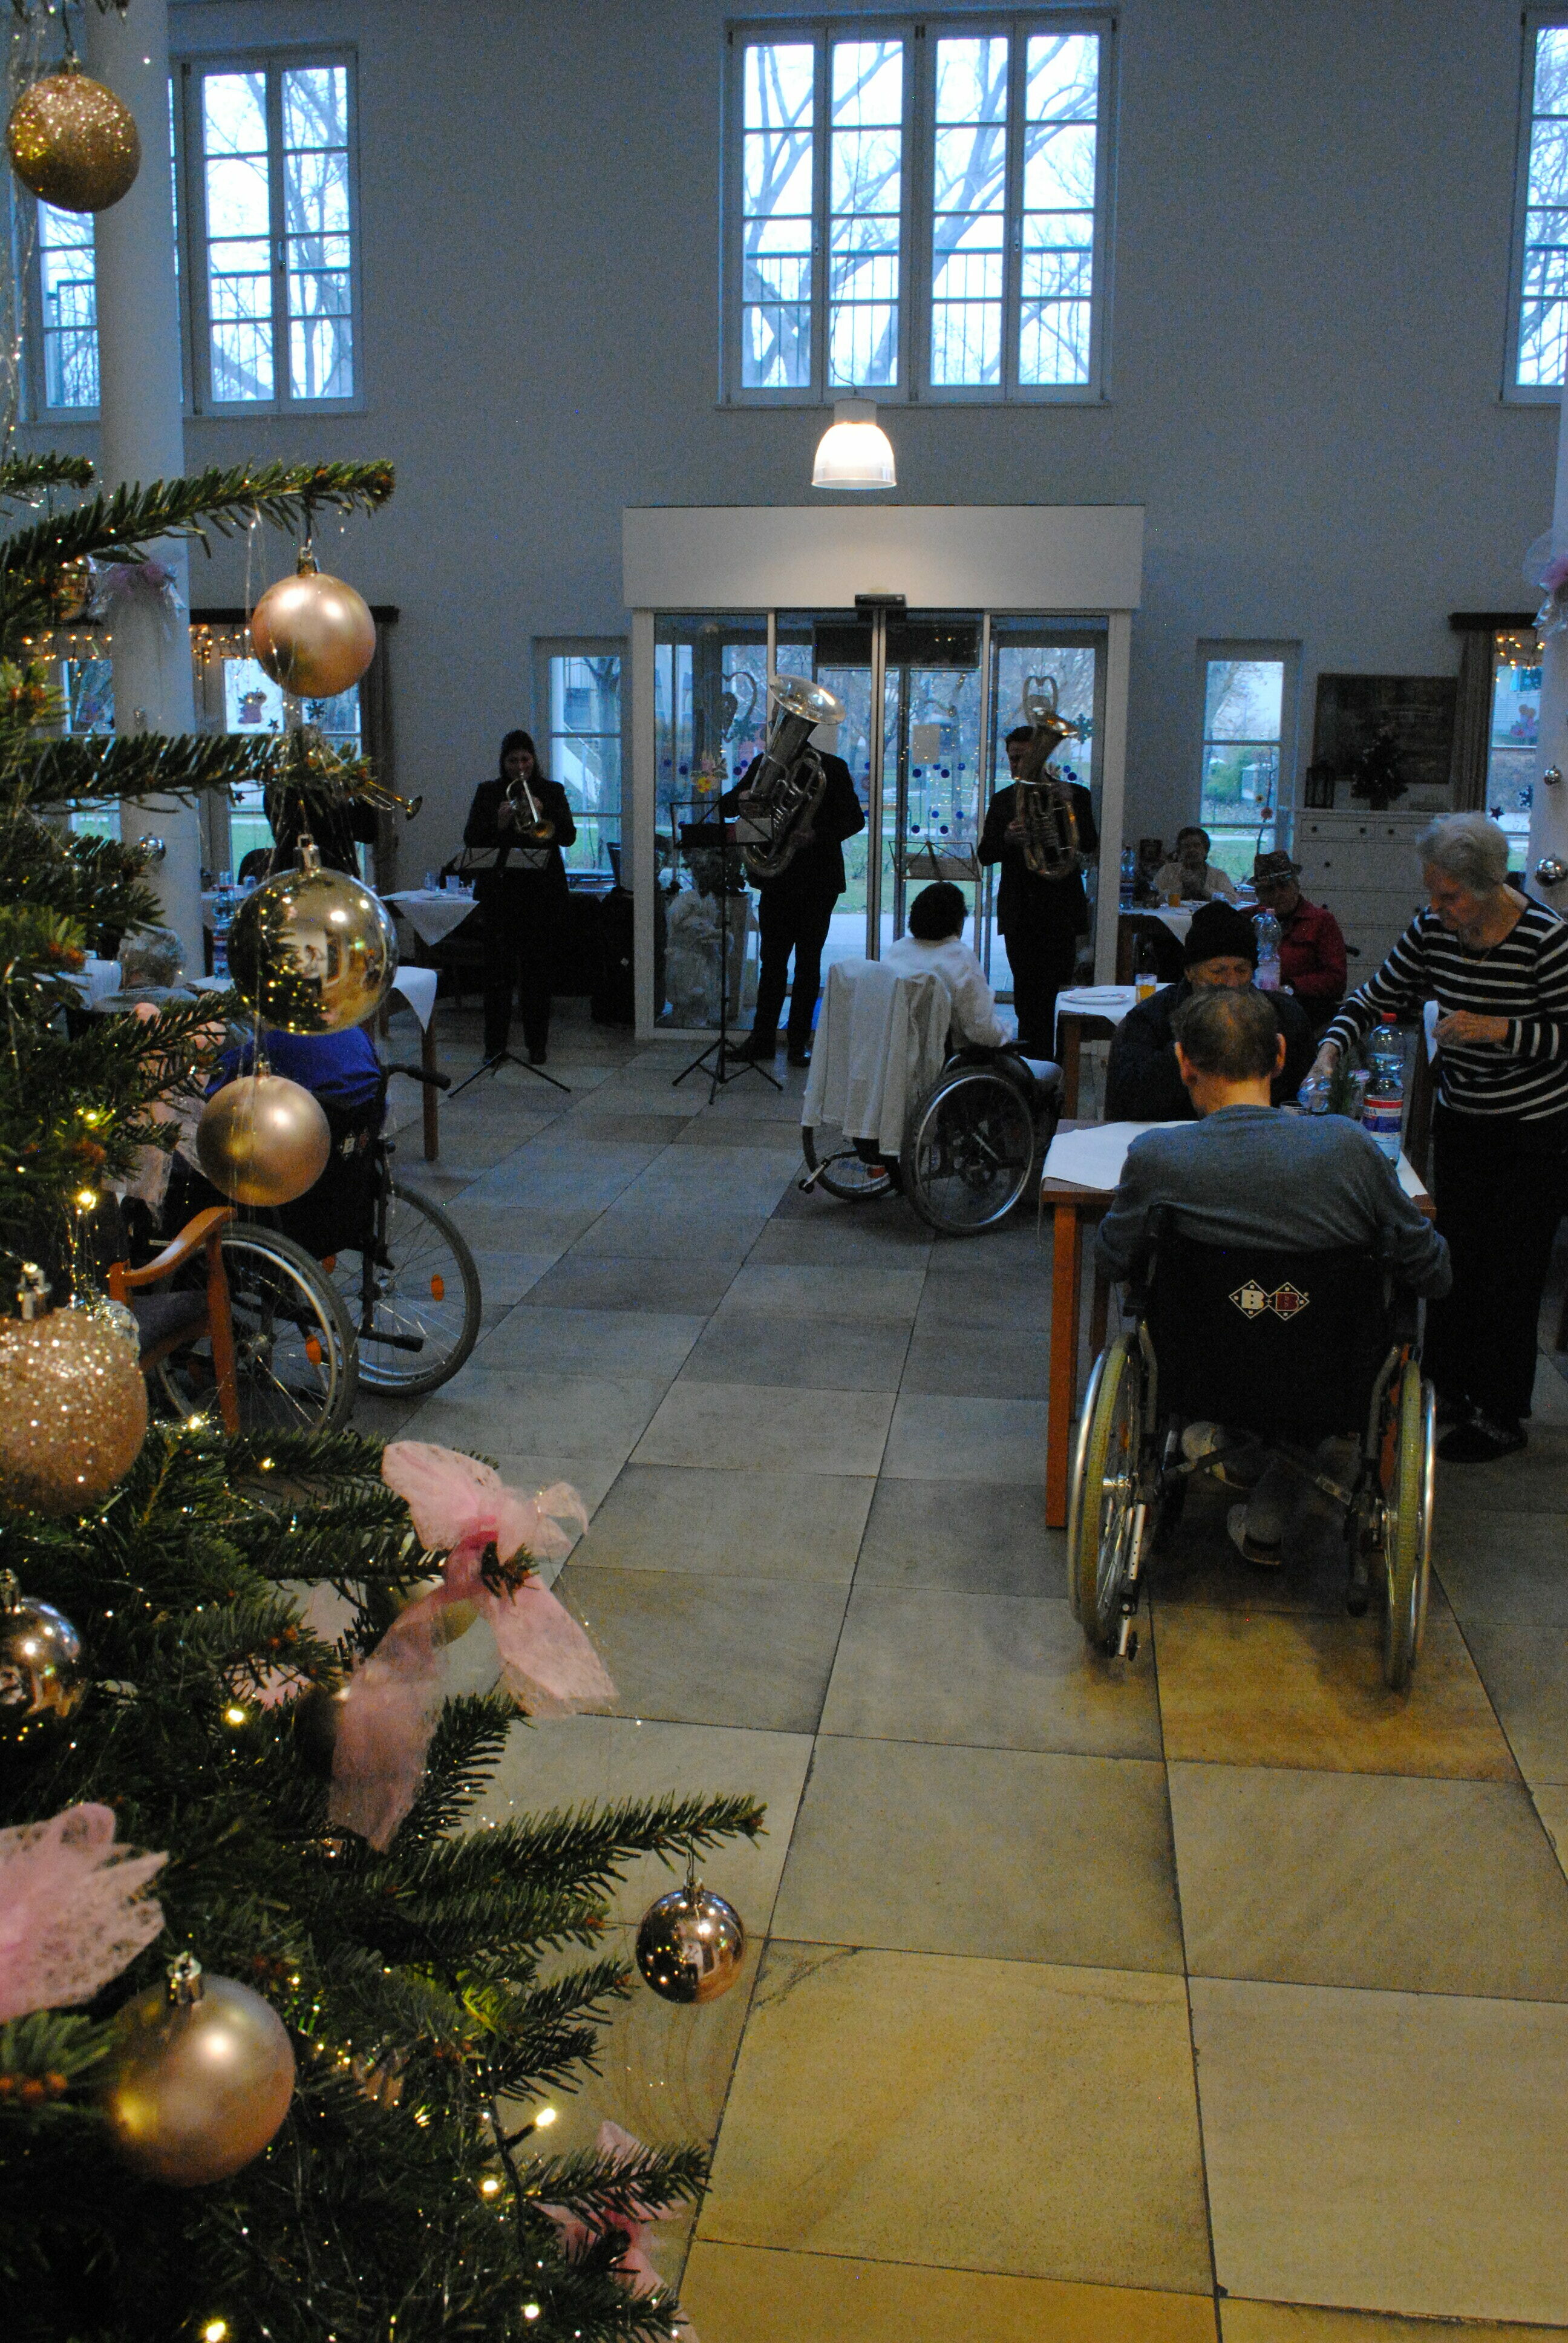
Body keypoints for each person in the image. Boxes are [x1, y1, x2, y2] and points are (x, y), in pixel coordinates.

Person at [1097, 985, 1450, 1562]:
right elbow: (1429, 1268)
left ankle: (1240, 1452)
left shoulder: (1158, 1157)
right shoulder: (1350, 1148)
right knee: (1311, 1341)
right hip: (1329, 1375)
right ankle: (1269, 1473)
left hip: (1200, 1371)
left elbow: (1112, 1260)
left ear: (1184, 1061)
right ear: (1282, 1055)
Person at [1310, 810, 1568, 1463]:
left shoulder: (1546, 940)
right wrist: (1332, 1047)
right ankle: (1449, 1389)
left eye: (1449, 896)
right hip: (1464, 1116)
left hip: (1534, 1128)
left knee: (1510, 1270)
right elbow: (1372, 995)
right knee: (1452, 1255)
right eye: (1432, 893)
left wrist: (1501, 1030)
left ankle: (1501, 1412)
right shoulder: (1433, 930)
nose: (1436, 907)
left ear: (1489, 885)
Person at [722, 726, 865, 1067]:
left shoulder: (832, 768)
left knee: (808, 965)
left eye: (788, 724)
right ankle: (762, 1040)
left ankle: (799, 1042)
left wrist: (816, 834)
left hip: (818, 882)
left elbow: (855, 820)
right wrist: (743, 799)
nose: (781, 731)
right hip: (777, 880)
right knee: (772, 964)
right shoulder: (764, 765)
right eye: (780, 723)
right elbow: (726, 806)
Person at [1105, 899, 1314, 1121]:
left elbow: (1305, 1096)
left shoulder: (1284, 1016)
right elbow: (1126, 1100)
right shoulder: (1151, 1017)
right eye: (1217, 971)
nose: (1231, 982)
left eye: (1241, 970)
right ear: (1190, 972)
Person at [978, 724, 1097, 1055]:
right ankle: (1032, 1064)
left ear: (1041, 757)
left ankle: (1060, 1066)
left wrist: (1072, 809)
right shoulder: (1003, 801)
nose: (1016, 765)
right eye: (1012, 758)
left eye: (1023, 758)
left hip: (1061, 910)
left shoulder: (1075, 795)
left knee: (1059, 995)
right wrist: (1007, 838)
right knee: (1027, 998)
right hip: (1021, 911)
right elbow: (985, 855)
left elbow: (1089, 843)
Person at [463, 730, 577, 1066]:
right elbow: (471, 839)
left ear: (534, 759)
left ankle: (537, 1046)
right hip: (500, 895)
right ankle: (494, 1047)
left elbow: (568, 837)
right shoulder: (489, 792)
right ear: (503, 762)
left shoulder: (552, 791)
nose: (519, 767)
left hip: (541, 896)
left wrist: (546, 813)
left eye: (525, 759)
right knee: (497, 976)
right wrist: (498, 824)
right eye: (512, 760)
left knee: (537, 975)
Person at [884, 882, 1011, 1048]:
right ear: (959, 922)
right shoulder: (960, 959)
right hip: (950, 1058)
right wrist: (1006, 1031)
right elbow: (983, 1032)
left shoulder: (897, 950)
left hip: (896, 1053)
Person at [1248, 847, 1347, 1029]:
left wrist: (1291, 987)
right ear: (1258, 894)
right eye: (1269, 889)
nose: (1278, 894)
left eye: (1284, 886)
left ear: (1296, 886)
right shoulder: (1246, 919)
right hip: (1251, 1005)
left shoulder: (1320, 921)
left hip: (1302, 1008)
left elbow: (1336, 980)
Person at [1152, 825, 1238, 903]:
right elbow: (1154, 898)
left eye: (1197, 846)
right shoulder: (1167, 871)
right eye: (1187, 846)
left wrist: (1202, 888)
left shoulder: (1218, 875)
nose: (1192, 850)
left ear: (1206, 850)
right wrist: (1182, 887)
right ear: (1180, 851)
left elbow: (1232, 900)